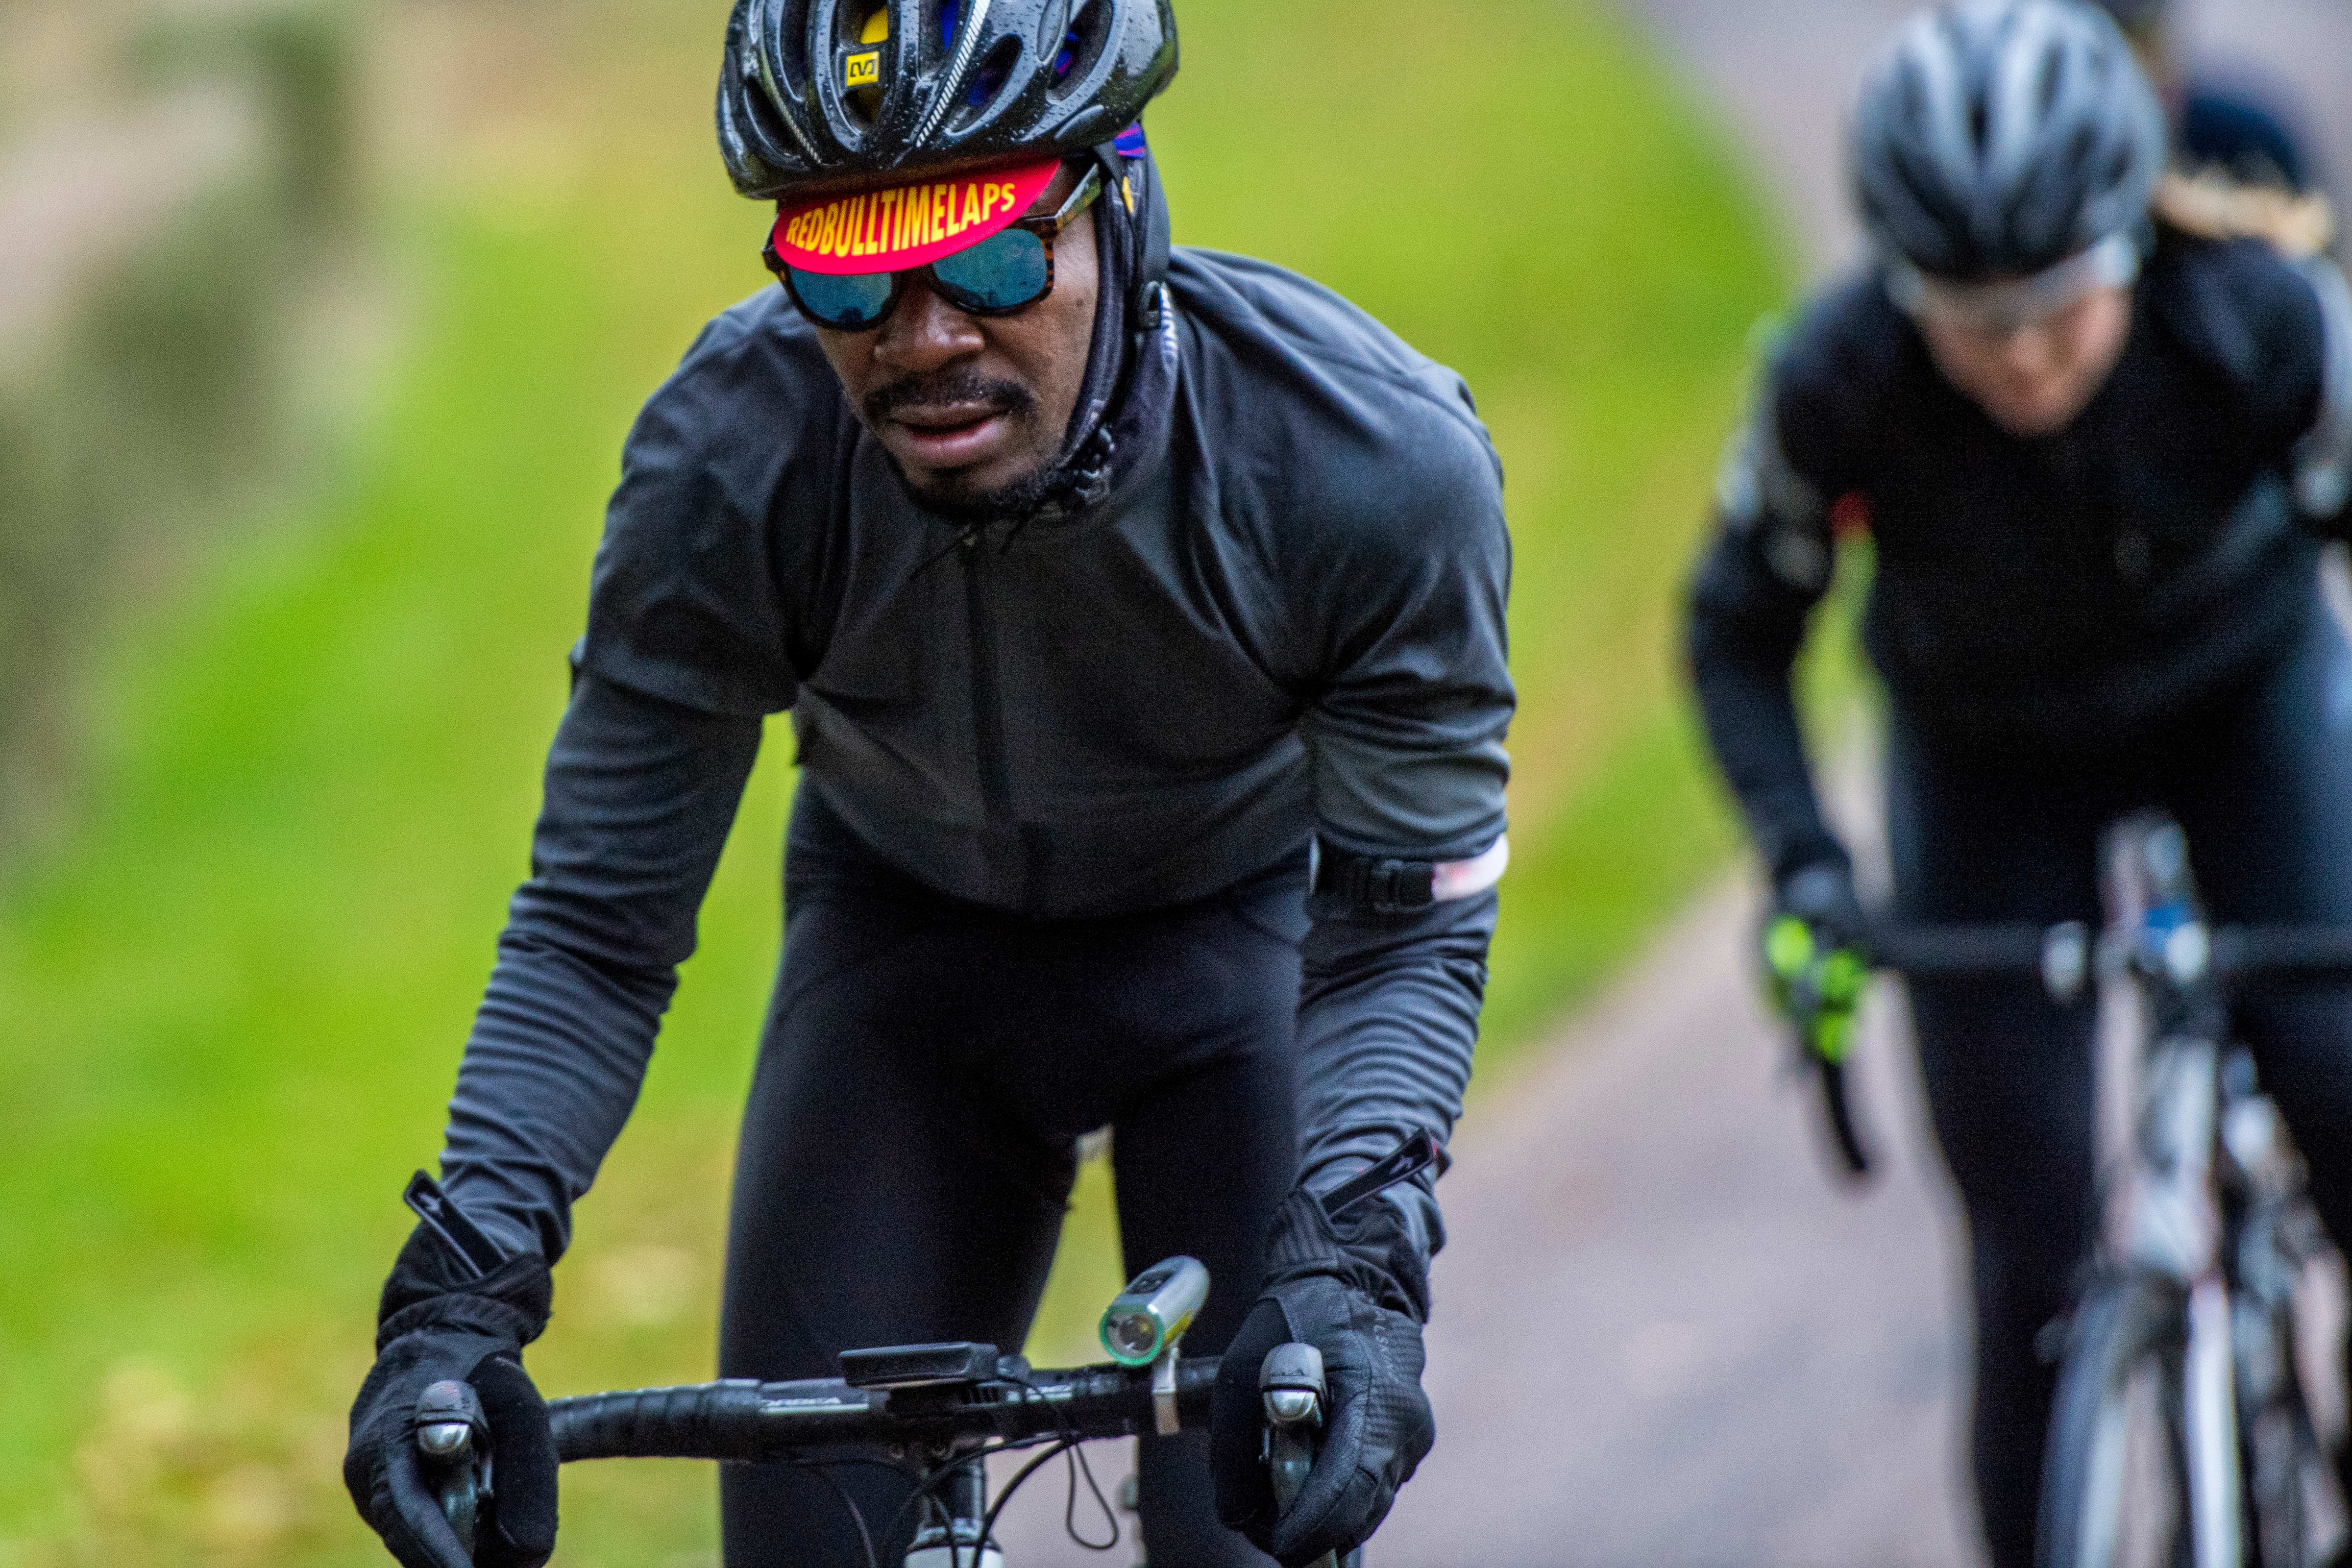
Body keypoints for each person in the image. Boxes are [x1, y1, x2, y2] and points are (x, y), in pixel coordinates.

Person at [338, 0, 1515, 1564]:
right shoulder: (731, 462)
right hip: (907, 962)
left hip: (1243, 965)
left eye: (994, 255)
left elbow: (1400, 927)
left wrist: (1357, 1266)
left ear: (1123, 203)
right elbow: (598, 929)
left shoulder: (1360, 466)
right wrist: (457, 1293)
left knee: (1253, 1532)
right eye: (847, 269)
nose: (927, 336)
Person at [1683, 2, 2352, 1565]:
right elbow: (1735, 636)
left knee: (2340, 1084)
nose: (2024, 352)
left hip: (2237, 704)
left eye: (2057, 301)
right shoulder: (1842, 379)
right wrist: (1806, 869)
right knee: (2028, 1250)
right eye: (1970, 315)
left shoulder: (2260, 319)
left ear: (2134, 234)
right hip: (1987, 761)